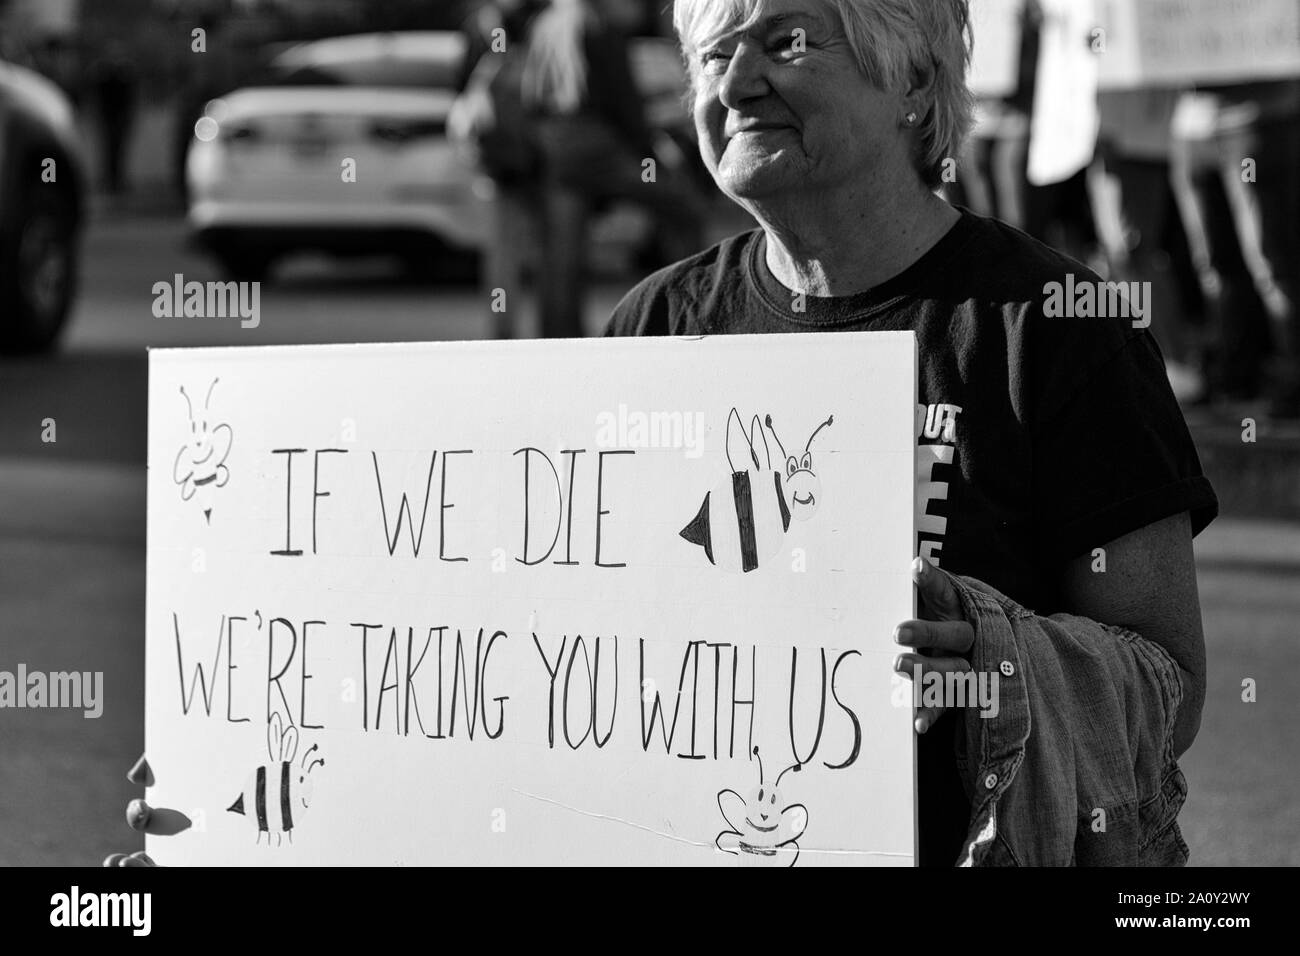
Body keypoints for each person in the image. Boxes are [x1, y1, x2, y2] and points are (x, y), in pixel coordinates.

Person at [604, 0, 1216, 865]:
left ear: (914, 83)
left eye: (787, 42)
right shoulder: (656, 324)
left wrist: (997, 660)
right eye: (710, 55)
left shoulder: (1059, 328)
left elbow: (1173, 691)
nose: (736, 85)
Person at [523, 0, 706, 338]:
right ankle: (694, 310)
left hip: (556, 149)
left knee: (562, 253)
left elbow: (530, 95)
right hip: (598, 145)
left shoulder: (545, 23)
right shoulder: (596, 24)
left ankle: (559, 339)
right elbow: (621, 101)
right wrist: (648, 153)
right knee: (682, 206)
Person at [1169, 79, 1300, 417]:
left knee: (1269, 259)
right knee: (1211, 262)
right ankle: (1235, 376)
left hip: (1257, 117)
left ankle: (1291, 376)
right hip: (1191, 127)